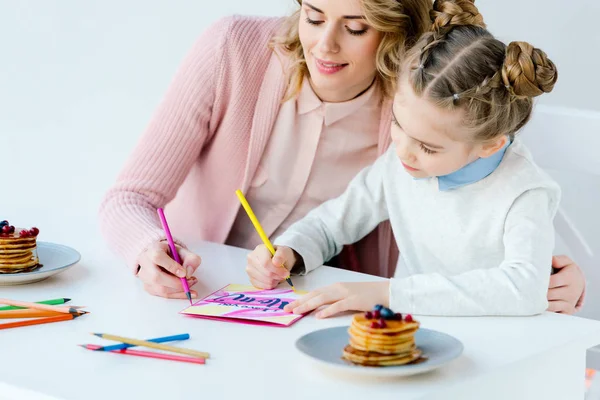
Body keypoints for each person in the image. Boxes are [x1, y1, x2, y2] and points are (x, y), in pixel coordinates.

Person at [98, 0, 585, 314]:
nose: (323, 45)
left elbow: (491, 167)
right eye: (312, 16)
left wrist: (559, 274)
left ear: (397, 36)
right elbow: (128, 199)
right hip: (203, 294)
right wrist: (146, 252)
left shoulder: (419, 95)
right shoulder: (232, 51)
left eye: (355, 27)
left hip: (331, 313)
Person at [247, 0, 582, 317]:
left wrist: (389, 294)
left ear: (490, 146)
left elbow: (523, 288)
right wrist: (290, 251)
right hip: (428, 334)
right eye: (397, 124)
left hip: (507, 347)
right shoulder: (401, 164)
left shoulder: (524, 192)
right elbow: (332, 223)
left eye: (428, 147)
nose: (403, 150)